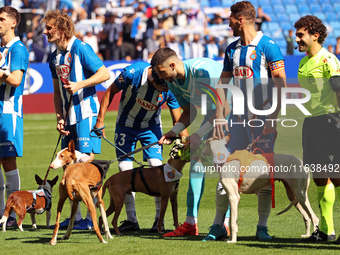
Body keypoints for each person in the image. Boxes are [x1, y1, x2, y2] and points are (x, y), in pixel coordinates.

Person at [212, 1, 287, 241]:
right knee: (227, 169)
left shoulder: (268, 46)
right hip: (236, 121)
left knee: (262, 174)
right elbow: (222, 84)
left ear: (240, 19)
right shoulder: (231, 49)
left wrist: (272, 118)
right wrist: (218, 117)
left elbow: (280, 83)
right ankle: (218, 225)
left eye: (230, 19)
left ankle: (262, 227)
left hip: (262, 121)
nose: (228, 24)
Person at [94, 62, 187, 232]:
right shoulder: (132, 73)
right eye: (161, 87)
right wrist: (100, 121)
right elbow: (110, 92)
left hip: (151, 127)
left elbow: (178, 119)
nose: (164, 91)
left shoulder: (170, 86)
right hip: (125, 125)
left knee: (157, 168)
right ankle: (131, 219)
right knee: (124, 168)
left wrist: (180, 137)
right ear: (153, 77)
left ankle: (159, 220)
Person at [41, 10, 110, 230]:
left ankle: (91, 218)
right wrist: (59, 117)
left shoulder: (81, 48)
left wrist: (80, 85)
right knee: (68, 167)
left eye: (49, 28)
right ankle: (78, 218)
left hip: (86, 115)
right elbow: (55, 92)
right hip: (68, 118)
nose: (45, 32)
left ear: (61, 29)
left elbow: (104, 74)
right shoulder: (53, 56)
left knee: (86, 164)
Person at [151, 47, 230, 237]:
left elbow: (224, 108)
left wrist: (198, 134)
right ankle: (190, 223)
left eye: (161, 72)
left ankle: (225, 224)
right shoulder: (173, 82)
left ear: (172, 65)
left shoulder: (202, 72)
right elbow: (189, 111)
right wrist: (174, 131)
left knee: (224, 168)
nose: (160, 77)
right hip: (213, 116)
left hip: (233, 114)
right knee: (196, 163)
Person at [294, 15, 340, 243]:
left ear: (315, 35)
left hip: (330, 122)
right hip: (310, 124)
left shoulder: (328, 60)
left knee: (338, 176)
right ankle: (326, 232)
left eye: (301, 35)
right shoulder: (303, 62)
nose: (297, 39)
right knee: (321, 176)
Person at [0, 6, 29, 227]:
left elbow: (16, 80)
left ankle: (13, 212)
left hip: (8, 112)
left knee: (8, 161)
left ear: (13, 23)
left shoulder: (18, 49)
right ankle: (2, 212)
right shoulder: (2, 48)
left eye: (1, 19)